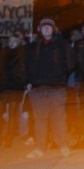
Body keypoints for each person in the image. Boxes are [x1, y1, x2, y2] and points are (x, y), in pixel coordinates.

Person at [25, 18, 76, 159]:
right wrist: (29, 81)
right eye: (44, 27)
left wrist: (61, 75)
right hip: (38, 89)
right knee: (40, 119)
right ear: (40, 30)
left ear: (53, 29)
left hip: (56, 87)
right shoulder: (34, 46)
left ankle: (63, 145)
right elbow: (27, 66)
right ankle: (40, 147)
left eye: (49, 27)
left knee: (59, 118)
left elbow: (70, 62)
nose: (46, 29)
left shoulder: (61, 45)